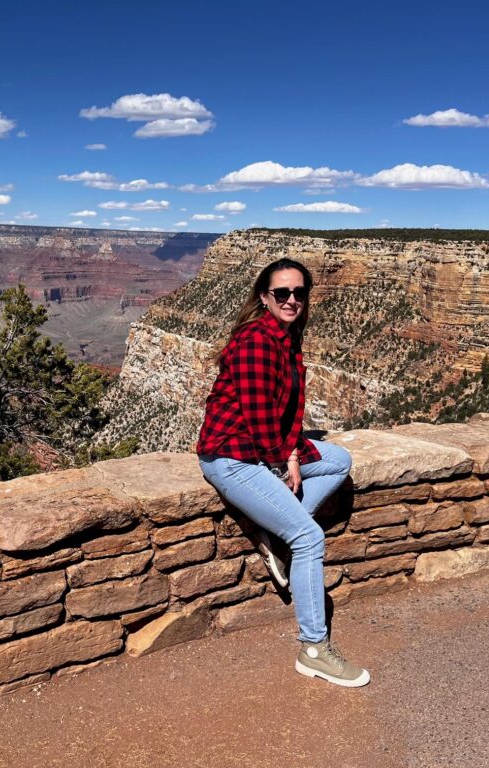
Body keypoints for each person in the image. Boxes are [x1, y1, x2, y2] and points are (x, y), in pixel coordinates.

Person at [196, 257, 369, 687]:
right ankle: (314, 649)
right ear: (264, 297)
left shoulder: (284, 336)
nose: (292, 299)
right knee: (308, 538)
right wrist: (285, 459)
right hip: (232, 456)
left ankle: (275, 535)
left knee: (339, 461)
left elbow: (283, 411)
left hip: (264, 447)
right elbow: (259, 419)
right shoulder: (256, 341)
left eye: (299, 292)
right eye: (282, 293)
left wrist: (291, 450)